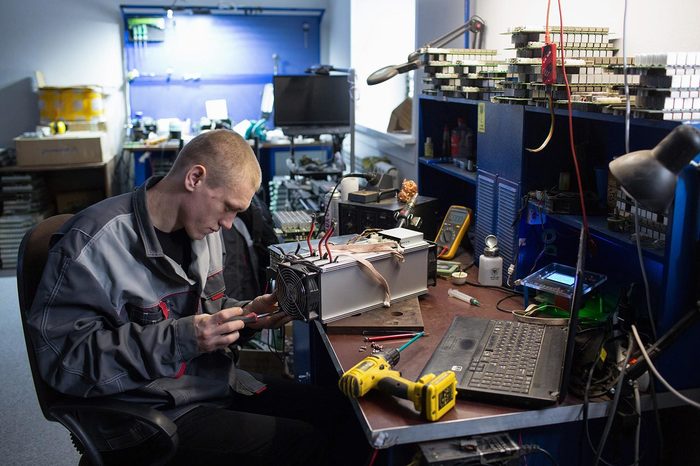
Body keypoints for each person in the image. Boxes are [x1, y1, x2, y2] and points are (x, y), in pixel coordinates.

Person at [27, 129, 367, 465]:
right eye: (229, 208)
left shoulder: (203, 231)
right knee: (303, 443)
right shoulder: (92, 244)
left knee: (337, 411)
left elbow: (205, 314)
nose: (229, 224)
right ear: (194, 178)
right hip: (143, 418)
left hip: (207, 384)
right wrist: (182, 339)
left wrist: (246, 316)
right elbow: (65, 362)